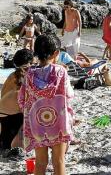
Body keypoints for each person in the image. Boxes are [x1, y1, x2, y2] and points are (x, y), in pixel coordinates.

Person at [18, 34, 74, 175]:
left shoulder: (29, 74)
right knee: (59, 161)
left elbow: (21, 100)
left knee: (41, 162)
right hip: (59, 124)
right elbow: (69, 94)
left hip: (36, 123)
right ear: (56, 53)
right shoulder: (61, 71)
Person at [0, 49, 33, 153]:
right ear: (29, 63)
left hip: (4, 121)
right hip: (12, 123)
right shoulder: (24, 80)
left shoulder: (13, 75)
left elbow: (3, 95)